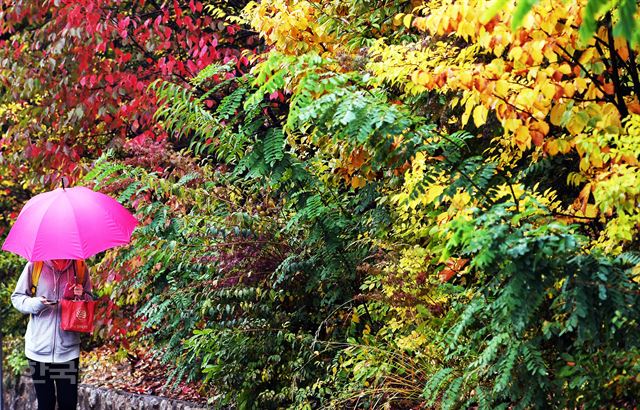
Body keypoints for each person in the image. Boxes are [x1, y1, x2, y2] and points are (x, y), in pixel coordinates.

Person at [11, 259, 92, 410]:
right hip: (38, 352)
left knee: (68, 404)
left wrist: (81, 296)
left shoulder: (79, 267)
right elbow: (17, 298)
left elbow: (89, 300)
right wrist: (36, 303)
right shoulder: (35, 265)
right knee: (46, 403)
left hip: (67, 351)